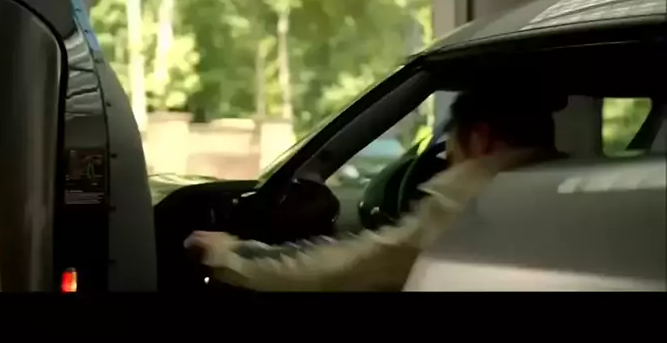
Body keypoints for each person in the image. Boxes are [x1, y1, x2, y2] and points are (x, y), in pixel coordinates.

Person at [184, 91, 564, 291]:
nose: (450, 166)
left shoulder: (473, 206)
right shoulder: (569, 192)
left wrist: (227, 255)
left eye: (451, 155)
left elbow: (344, 268)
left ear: (481, 138)